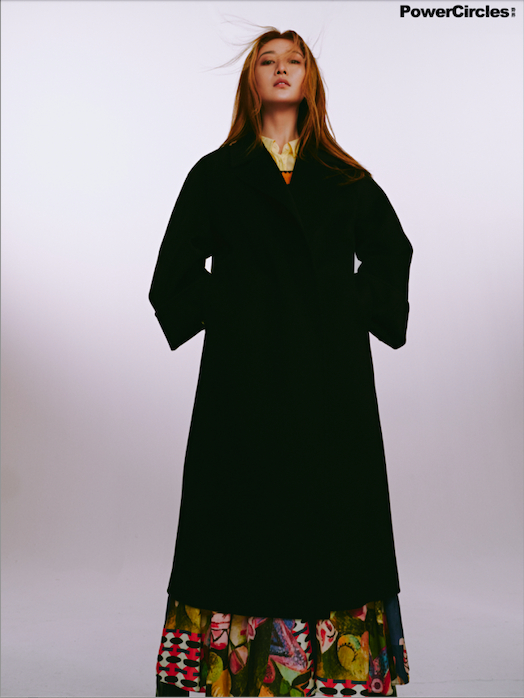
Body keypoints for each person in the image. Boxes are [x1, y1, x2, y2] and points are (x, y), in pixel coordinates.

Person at [149, 27, 412, 698]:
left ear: (310, 79)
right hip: (244, 379)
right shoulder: (216, 174)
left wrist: (350, 304)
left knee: (332, 519)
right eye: (267, 61)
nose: (281, 69)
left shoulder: (345, 177)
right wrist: (236, 306)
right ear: (252, 81)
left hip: (330, 380)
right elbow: (172, 275)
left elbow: (392, 252)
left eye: (294, 60)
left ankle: (336, 676)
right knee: (241, 519)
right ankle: (237, 675)